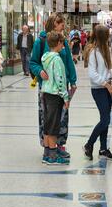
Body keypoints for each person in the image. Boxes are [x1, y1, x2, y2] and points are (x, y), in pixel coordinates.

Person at [30, 13, 77, 158]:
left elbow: (69, 62)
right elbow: (33, 62)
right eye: (59, 22)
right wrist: (40, 71)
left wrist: (73, 81)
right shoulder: (41, 41)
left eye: (63, 22)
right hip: (47, 87)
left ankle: (60, 145)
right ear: (52, 24)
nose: (62, 25)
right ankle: (47, 147)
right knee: (46, 116)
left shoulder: (63, 42)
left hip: (62, 87)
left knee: (62, 116)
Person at [83, 25, 112, 161]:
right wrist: (106, 85)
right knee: (105, 120)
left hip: (105, 88)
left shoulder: (103, 50)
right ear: (103, 36)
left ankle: (103, 148)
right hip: (98, 90)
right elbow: (93, 74)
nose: (109, 36)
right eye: (107, 35)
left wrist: (111, 75)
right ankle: (89, 144)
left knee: (106, 119)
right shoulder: (93, 52)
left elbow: (105, 70)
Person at [41, 31, 70, 165]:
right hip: (55, 95)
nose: (63, 45)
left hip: (46, 93)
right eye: (62, 43)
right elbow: (60, 79)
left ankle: (46, 153)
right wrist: (65, 97)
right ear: (58, 43)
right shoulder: (57, 59)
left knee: (47, 124)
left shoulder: (45, 57)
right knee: (53, 126)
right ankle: (53, 156)